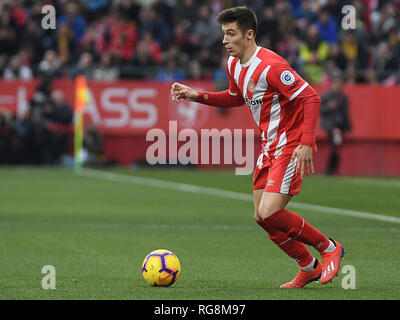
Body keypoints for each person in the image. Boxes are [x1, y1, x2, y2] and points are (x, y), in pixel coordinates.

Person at [170, 6, 344, 288]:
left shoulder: (272, 66)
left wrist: (305, 143)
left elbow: (311, 98)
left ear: (249, 34)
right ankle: (308, 266)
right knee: (262, 217)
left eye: (230, 34)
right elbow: (235, 97)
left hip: (289, 144)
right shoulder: (233, 64)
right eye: (223, 34)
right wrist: (196, 95)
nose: (225, 40)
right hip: (269, 146)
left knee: (272, 212)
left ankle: (328, 247)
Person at [320, 71, 351, 175]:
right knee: (334, 146)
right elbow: (320, 110)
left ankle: (333, 169)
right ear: (332, 83)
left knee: (337, 146)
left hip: (340, 125)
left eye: (339, 82)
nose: (338, 84)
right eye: (336, 82)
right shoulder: (326, 95)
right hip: (331, 126)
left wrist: (348, 126)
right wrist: (328, 107)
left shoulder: (343, 97)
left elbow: (346, 112)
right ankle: (330, 169)